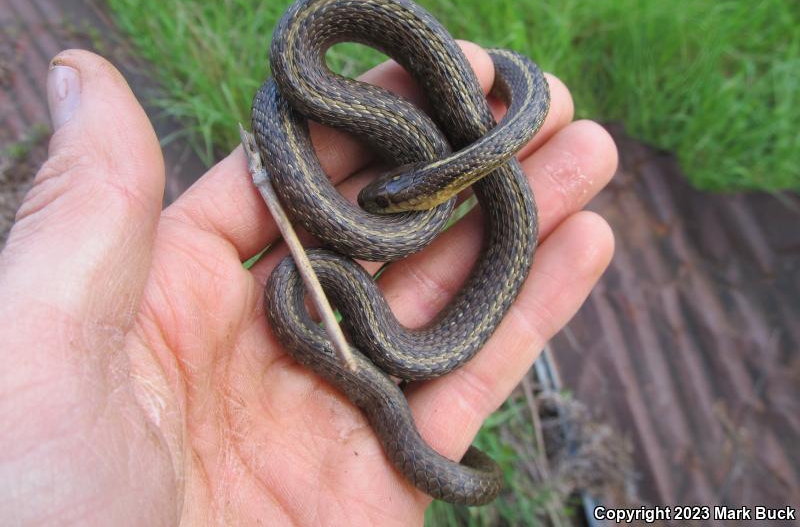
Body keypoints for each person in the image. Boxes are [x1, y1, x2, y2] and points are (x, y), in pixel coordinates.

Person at [0, 44, 617, 525]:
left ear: (427, 185)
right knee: (306, 93)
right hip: (389, 184)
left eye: (394, 194)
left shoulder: (437, 189)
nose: (377, 199)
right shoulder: (337, 127)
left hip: (430, 175)